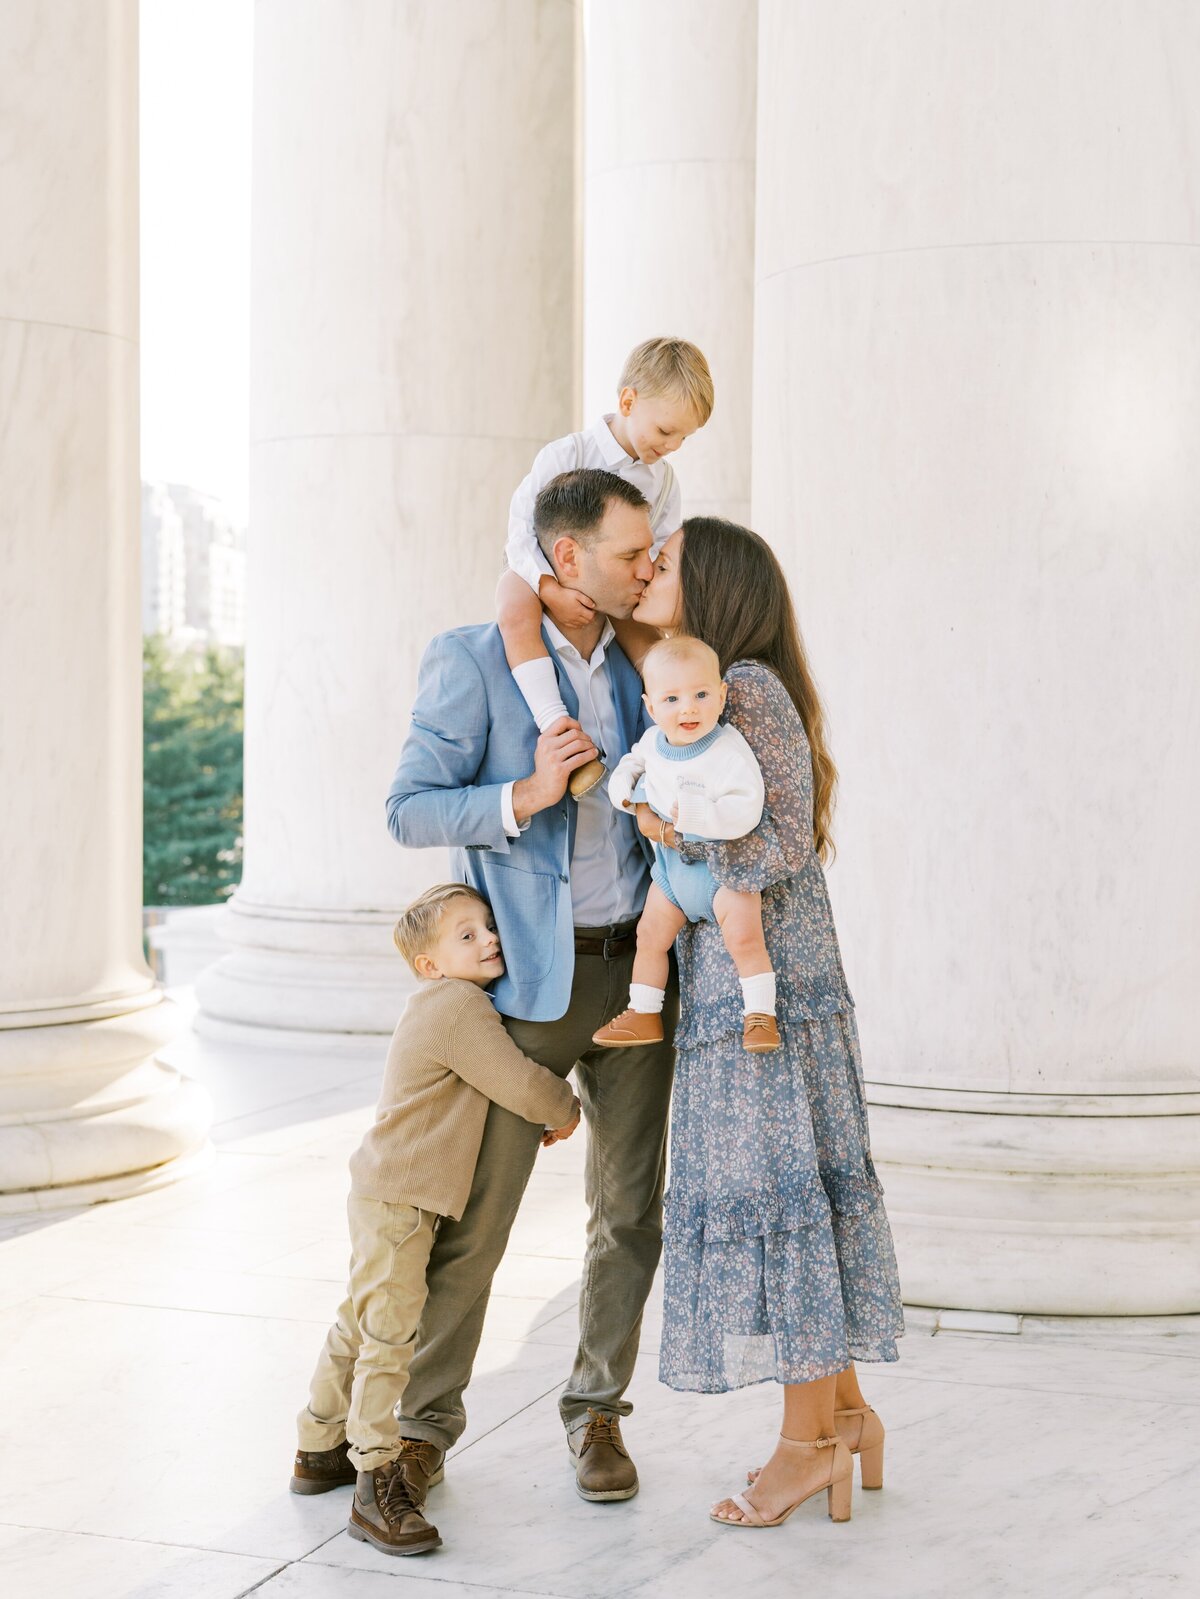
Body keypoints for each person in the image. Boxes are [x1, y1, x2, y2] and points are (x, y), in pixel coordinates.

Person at [385, 468, 676, 1508]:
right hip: (529, 986)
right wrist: (529, 794)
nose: (649, 565)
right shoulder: (473, 658)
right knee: (479, 1217)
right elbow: (410, 810)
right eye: (630, 551)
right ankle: (420, 1432)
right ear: (565, 559)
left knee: (629, 1210)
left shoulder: (655, 661)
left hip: (642, 977)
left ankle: (597, 1412)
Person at [630, 517, 904, 1530]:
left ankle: (806, 1450)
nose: (650, 571)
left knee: (786, 1194)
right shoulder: (708, 686)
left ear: (713, 584)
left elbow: (781, 836)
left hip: (767, 991)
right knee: (804, 1190)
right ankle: (848, 1420)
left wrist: (693, 869)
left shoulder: (744, 688)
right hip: (755, 982)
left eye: (666, 562)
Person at [291, 883, 580, 1556]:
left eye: (487, 926)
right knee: (389, 1337)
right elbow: (517, 1079)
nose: (489, 939)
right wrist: (565, 1107)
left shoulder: (440, 1000)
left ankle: (317, 1444)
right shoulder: (457, 1005)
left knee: (360, 1321)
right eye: (467, 935)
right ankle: (373, 1478)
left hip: (388, 1190)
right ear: (431, 964)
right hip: (400, 1199)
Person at [496, 337, 713, 797]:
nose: (671, 446)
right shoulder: (566, 454)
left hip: (616, 587)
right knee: (511, 603)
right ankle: (555, 724)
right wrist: (549, 588)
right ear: (628, 402)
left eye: (683, 439)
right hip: (543, 572)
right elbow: (519, 531)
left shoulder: (664, 480)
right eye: (665, 431)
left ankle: (683, 721)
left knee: (645, 636)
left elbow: (656, 551)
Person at [592, 634, 780, 1054]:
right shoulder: (653, 744)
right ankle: (643, 1011)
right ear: (652, 707)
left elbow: (747, 807)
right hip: (674, 874)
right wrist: (623, 789)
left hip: (722, 872)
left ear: (721, 695)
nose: (689, 708)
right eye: (672, 699)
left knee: (746, 941)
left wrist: (695, 814)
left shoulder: (728, 750)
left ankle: (761, 1016)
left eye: (700, 694)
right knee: (650, 935)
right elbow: (633, 764)